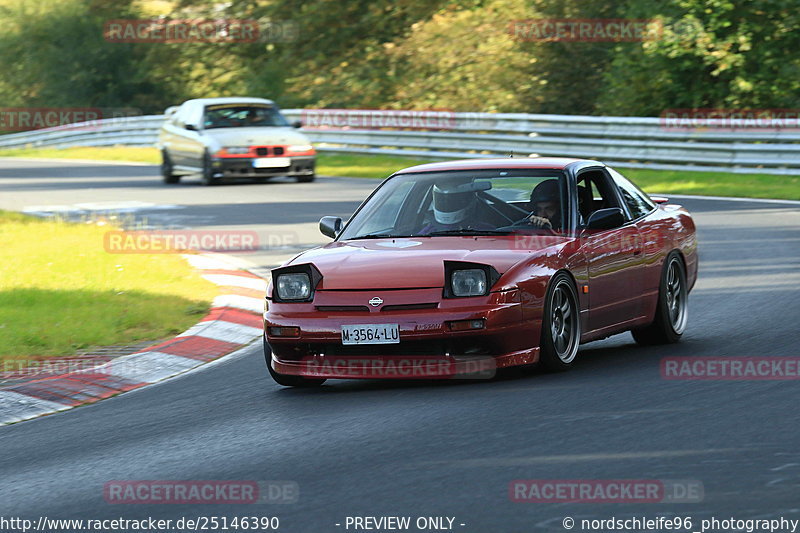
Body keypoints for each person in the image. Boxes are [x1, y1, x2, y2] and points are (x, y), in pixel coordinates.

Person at [418, 181, 494, 234]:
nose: (446, 205)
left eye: (452, 201)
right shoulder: (429, 230)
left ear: (467, 201)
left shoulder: (428, 231)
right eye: (442, 201)